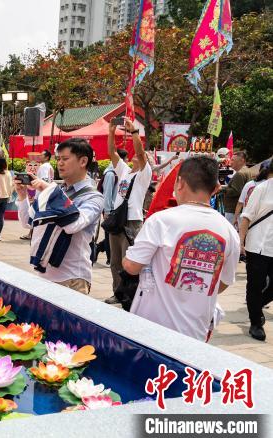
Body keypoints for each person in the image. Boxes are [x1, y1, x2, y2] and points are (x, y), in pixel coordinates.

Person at [123, 156, 240, 342]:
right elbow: (223, 282)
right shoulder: (229, 231)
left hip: (152, 328)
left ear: (179, 183)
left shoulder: (161, 220)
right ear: (216, 188)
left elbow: (131, 266)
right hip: (196, 331)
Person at [16, 138, 104, 294]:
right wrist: (22, 195)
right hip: (45, 274)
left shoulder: (94, 197)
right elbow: (28, 222)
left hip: (73, 279)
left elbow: (73, 225)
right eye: (58, 159)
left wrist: (48, 190)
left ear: (83, 161)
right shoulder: (56, 190)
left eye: (65, 159)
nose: (60, 163)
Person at [105, 118, 152, 303]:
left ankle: (130, 294)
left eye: (142, 156)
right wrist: (111, 132)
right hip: (117, 220)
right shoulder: (124, 171)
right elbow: (111, 153)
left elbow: (140, 153)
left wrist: (134, 133)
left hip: (132, 221)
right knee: (115, 261)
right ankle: (117, 293)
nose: (137, 156)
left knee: (128, 261)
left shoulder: (144, 174)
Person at [238, 164, 273, 341]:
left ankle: (257, 306)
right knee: (255, 285)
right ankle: (255, 323)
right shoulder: (261, 189)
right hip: (257, 245)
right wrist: (241, 241)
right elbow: (247, 216)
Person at [94, 149, 129, 265]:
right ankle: (110, 258)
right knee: (110, 235)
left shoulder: (116, 172)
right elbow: (107, 194)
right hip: (111, 210)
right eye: (126, 159)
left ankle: (101, 249)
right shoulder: (110, 174)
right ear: (121, 160)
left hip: (115, 209)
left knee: (113, 233)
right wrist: (107, 211)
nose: (128, 161)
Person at [222, 151, 255, 224]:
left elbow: (236, 191)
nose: (231, 162)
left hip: (233, 210)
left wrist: (222, 189)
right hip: (240, 209)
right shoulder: (247, 171)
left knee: (231, 233)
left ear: (242, 161)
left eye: (233, 160)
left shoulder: (240, 174)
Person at [0, 157, 14, 241]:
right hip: (5, 196)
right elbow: (11, 185)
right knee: (1, 216)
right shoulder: (8, 173)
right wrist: (10, 194)